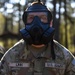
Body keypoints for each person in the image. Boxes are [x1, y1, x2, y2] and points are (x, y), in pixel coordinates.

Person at [0, 0, 75, 75]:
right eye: (31, 18)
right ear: (25, 22)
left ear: (50, 23)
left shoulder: (65, 57)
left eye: (43, 17)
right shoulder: (11, 56)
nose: (36, 23)